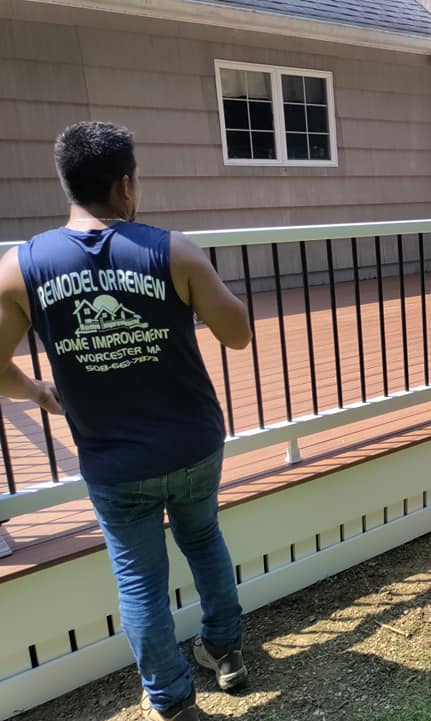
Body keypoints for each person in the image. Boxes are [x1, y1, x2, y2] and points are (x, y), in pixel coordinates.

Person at [0, 122, 253, 721]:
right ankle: (225, 650)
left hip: (114, 462)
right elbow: (238, 335)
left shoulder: (20, 268)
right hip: (193, 444)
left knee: (139, 579)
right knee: (203, 539)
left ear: (67, 185)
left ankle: (170, 700)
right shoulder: (173, 251)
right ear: (125, 185)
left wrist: (38, 392)